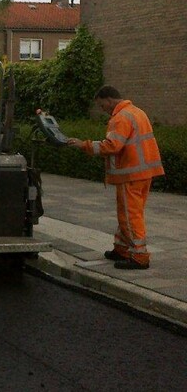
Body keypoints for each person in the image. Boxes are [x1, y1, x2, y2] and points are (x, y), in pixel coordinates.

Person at [67, 86, 165, 270]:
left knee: (130, 215)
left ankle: (139, 256)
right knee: (129, 212)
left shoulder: (120, 118)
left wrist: (83, 145)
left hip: (131, 173)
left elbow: (112, 146)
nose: (102, 109)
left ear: (109, 99)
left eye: (101, 104)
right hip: (144, 173)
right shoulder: (137, 112)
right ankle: (121, 248)